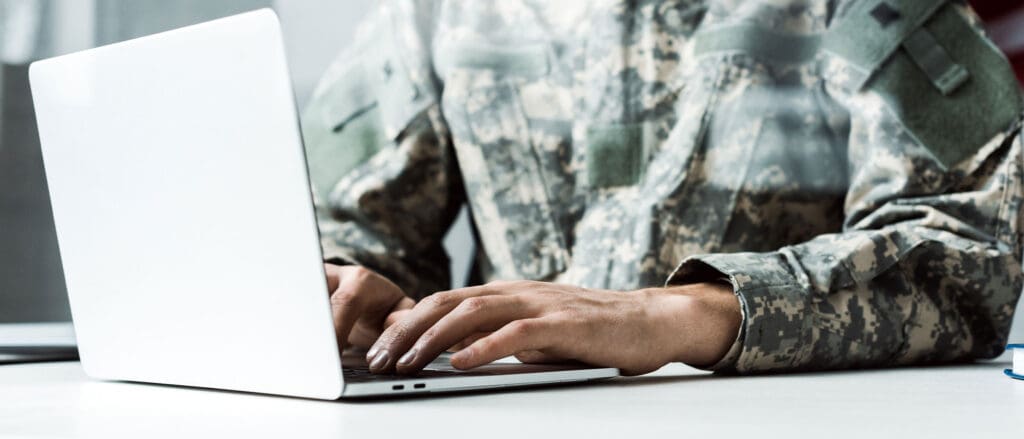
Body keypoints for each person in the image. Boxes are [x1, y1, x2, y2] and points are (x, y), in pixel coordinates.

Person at [300, 0, 1024, 376]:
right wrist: (360, 304)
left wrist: (680, 315)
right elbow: (353, 230)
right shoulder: (435, 13)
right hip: (500, 415)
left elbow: (967, 258)